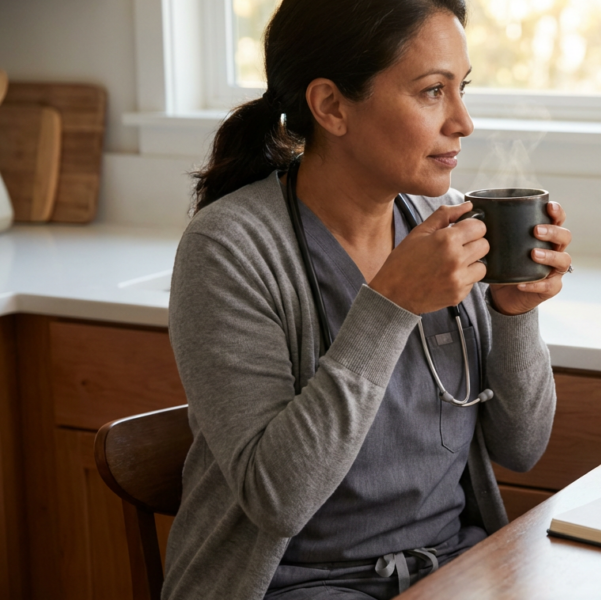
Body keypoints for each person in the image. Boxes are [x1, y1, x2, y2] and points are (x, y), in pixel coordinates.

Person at [163, 0, 573, 598]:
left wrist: (514, 311)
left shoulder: (441, 222)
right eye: (433, 91)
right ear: (331, 105)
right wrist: (390, 307)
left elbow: (522, 447)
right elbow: (279, 499)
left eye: (463, 89)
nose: (463, 121)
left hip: (453, 572)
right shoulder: (229, 249)